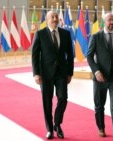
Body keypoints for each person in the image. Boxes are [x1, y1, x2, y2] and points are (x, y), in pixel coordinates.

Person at [31, 10, 74, 139]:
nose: (55, 19)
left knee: (63, 98)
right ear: (47, 19)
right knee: (47, 102)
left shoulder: (66, 34)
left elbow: (70, 55)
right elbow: (34, 55)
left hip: (61, 73)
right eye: (52, 17)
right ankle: (49, 129)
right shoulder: (40, 34)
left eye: (56, 17)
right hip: (45, 74)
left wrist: (70, 73)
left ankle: (57, 124)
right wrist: (36, 73)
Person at [87, 13, 113, 140]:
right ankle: (101, 128)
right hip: (100, 77)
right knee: (99, 105)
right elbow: (89, 56)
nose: (112, 22)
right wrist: (96, 71)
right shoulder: (96, 37)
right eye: (109, 20)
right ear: (104, 21)